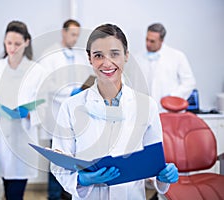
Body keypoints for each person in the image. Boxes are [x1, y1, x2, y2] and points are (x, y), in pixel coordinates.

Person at [51, 24, 178, 199]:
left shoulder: (147, 106)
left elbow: (153, 164)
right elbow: (58, 164)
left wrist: (162, 175)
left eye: (114, 54)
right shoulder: (71, 107)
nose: (107, 62)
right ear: (90, 59)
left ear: (126, 56)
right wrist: (80, 180)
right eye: (98, 55)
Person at [0, 21, 45, 200]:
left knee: (15, 191)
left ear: (27, 42)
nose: (12, 48)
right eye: (9, 43)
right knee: (7, 186)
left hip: (22, 139)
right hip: (0, 138)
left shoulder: (36, 71)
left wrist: (29, 113)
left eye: (17, 44)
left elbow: (45, 107)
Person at [38, 19, 92, 200]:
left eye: (77, 35)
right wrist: (70, 92)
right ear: (63, 32)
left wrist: (81, 90)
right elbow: (46, 84)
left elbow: (81, 80)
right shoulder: (50, 54)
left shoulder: (77, 56)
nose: (75, 38)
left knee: (72, 154)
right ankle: (53, 196)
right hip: (55, 111)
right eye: (72, 34)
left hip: (75, 113)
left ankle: (67, 193)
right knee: (57, 156)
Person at [135, 23, 196, 112]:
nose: (148, 44)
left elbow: (189, 82)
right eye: (146, 39)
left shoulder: (177, 56)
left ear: (161, 41)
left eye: (152, 41)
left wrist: (173, 97)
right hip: (146, 111)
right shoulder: (138, 58)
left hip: (169, 110)